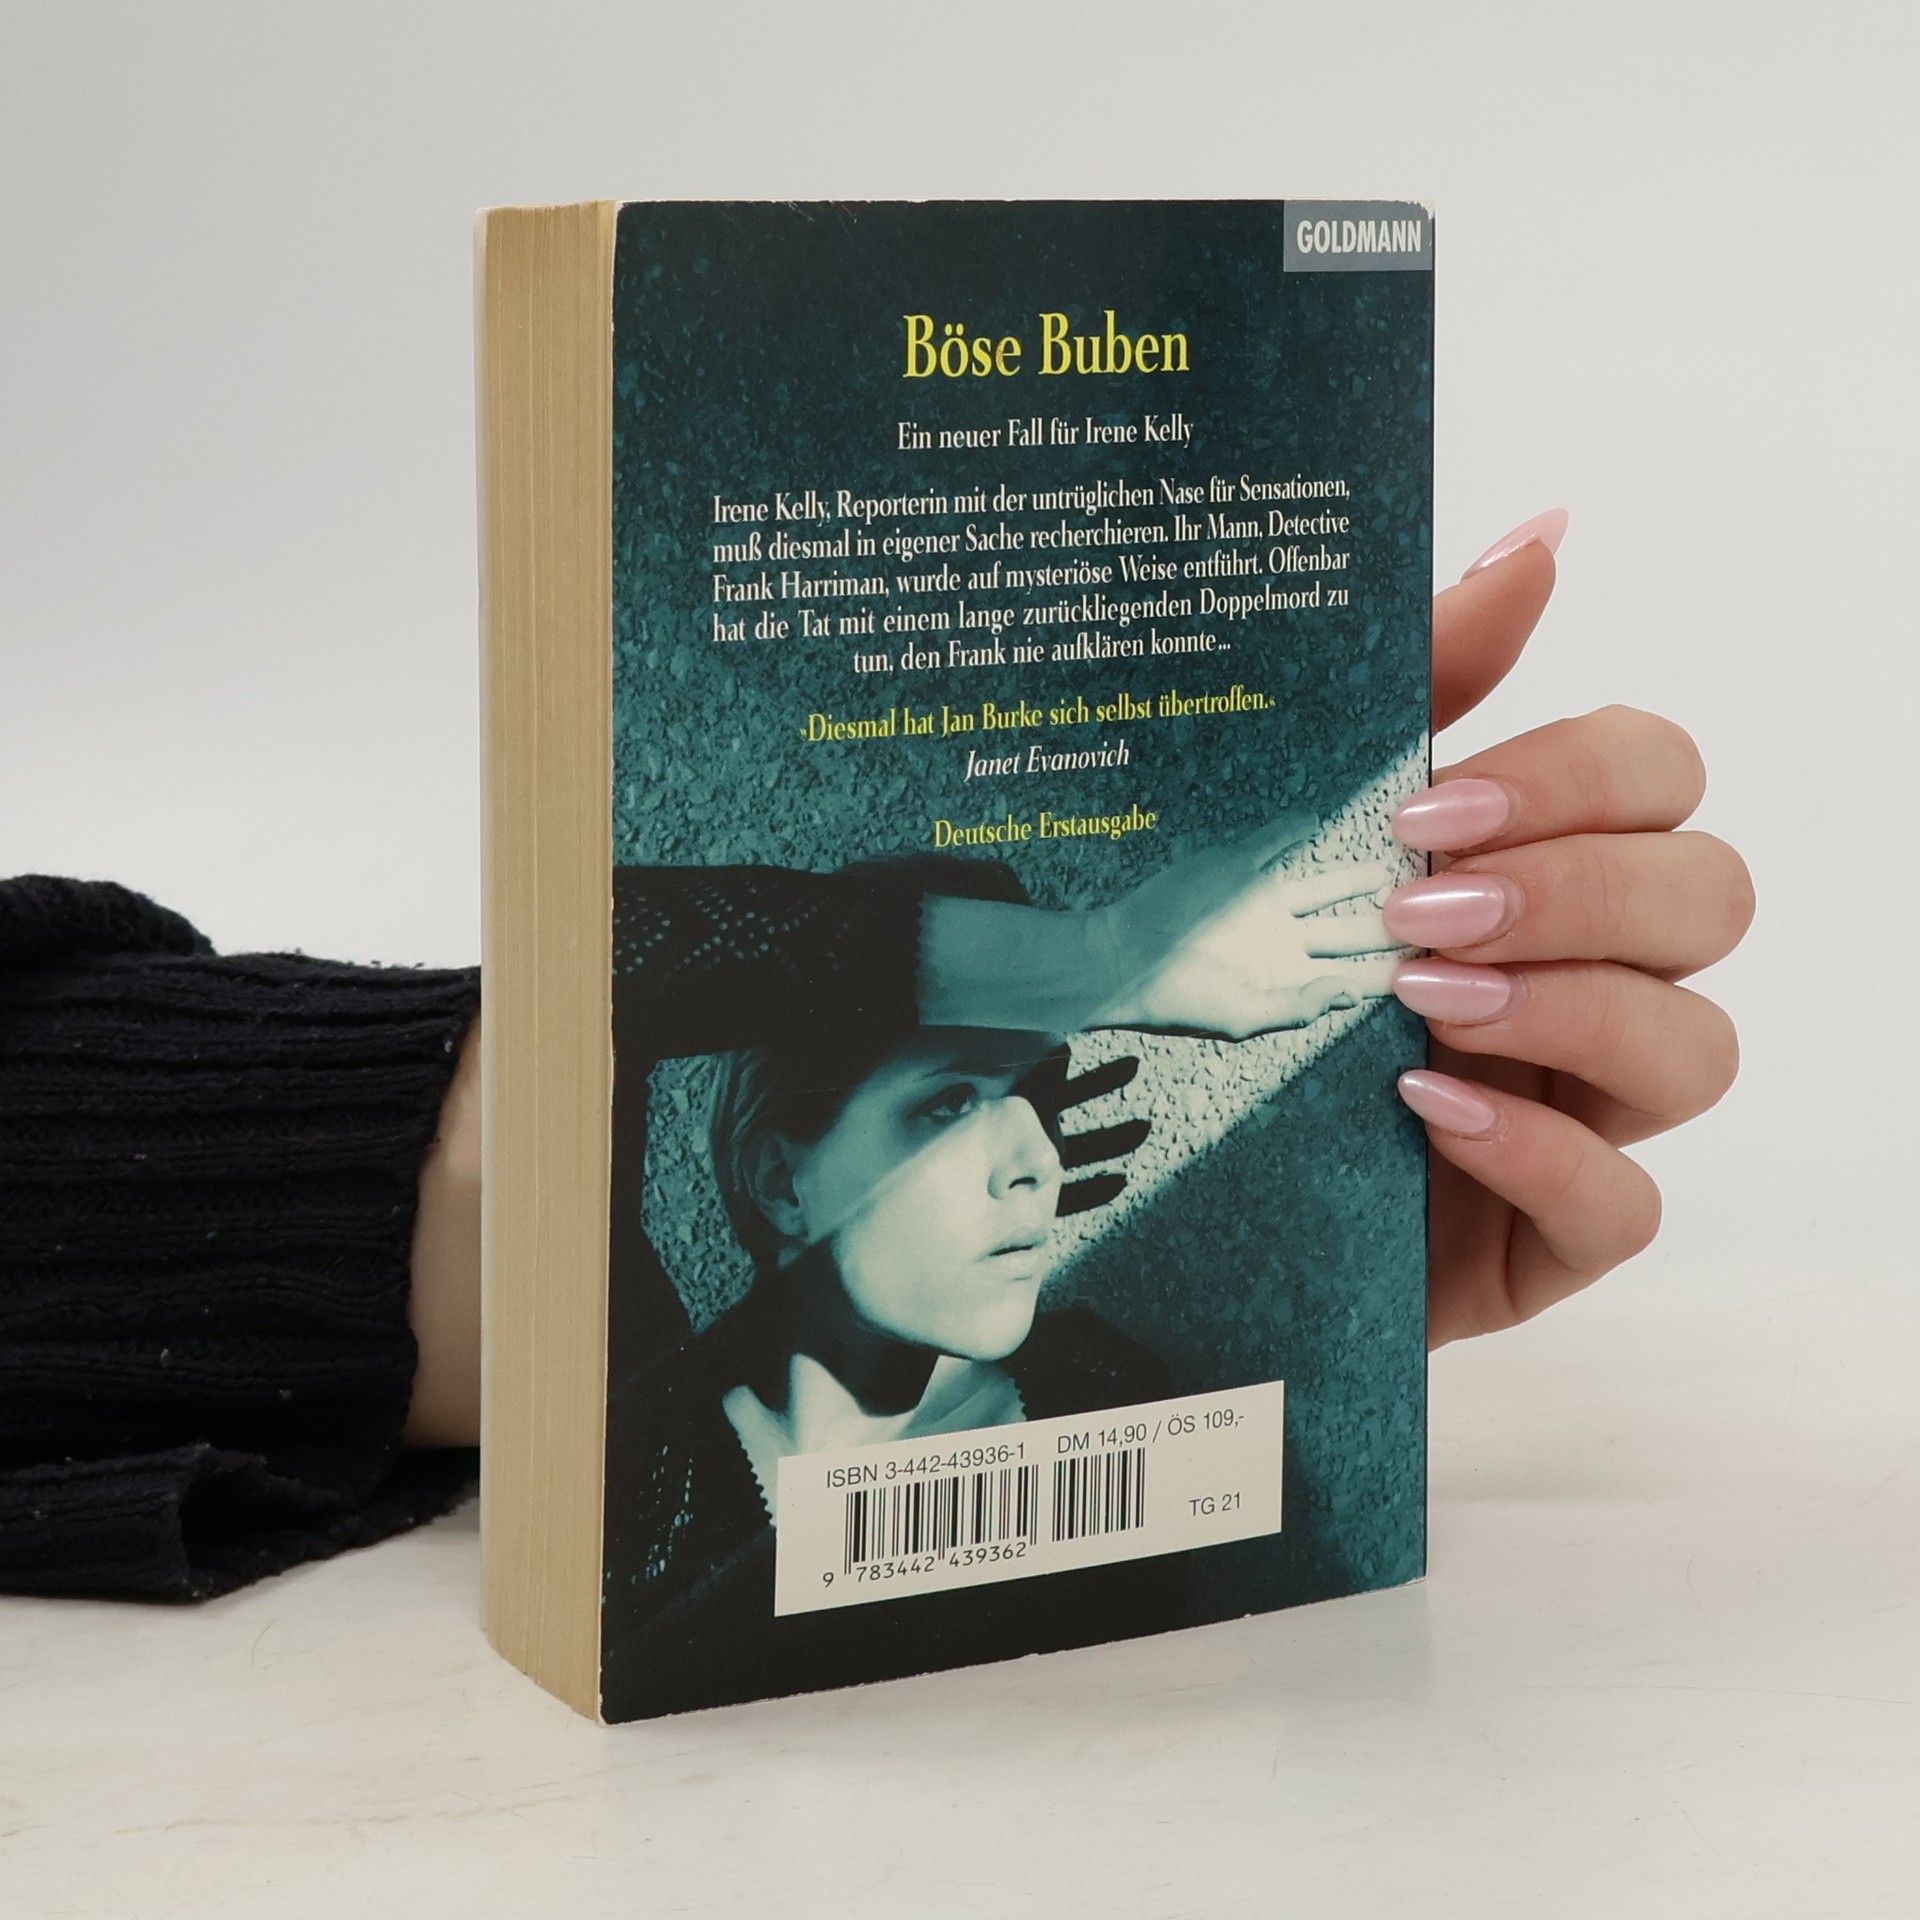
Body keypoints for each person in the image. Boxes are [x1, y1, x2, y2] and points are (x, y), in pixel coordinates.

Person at [0, 514, 1758, 1609]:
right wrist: (1091, 964)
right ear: (773, 1171)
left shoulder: (1115, 1394)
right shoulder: (657, 1433)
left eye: (1038, 1094)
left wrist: (1358, 1271)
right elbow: (604, 937)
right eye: (947, 1098)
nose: (1030, 1157)